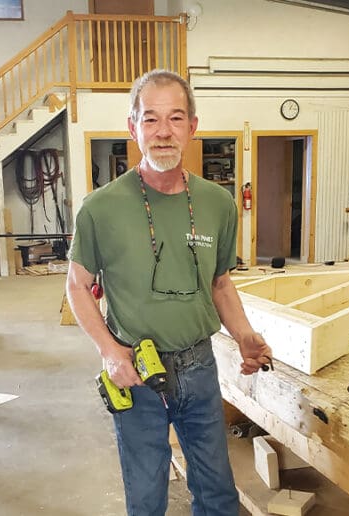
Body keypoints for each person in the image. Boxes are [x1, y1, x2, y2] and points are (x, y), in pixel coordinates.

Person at [66, 69, 272, 516]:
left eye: (175, 118)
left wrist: (244, 335)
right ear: (133, 126)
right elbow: (78, 286)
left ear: (192, 128)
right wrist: (108, 352)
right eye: (151, 119)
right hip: (136, 370)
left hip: (198, 367)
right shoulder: (100, 208)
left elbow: (220, 283)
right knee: (146, 497)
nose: (163, 132)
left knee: (217, 493)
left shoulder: (218, 204)